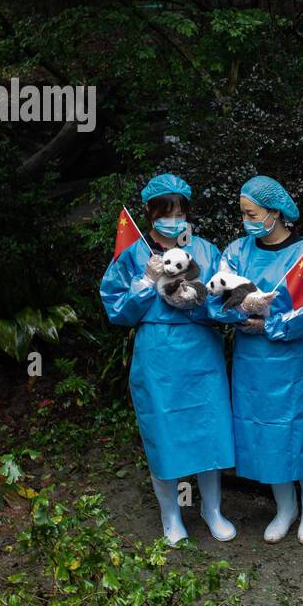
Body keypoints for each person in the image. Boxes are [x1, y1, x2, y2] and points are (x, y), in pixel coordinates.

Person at [99, 173, 237, 546]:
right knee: (164, 431)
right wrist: (145, 281)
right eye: (166, 211)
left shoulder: (206, 251)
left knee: (209, 427)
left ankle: (212, 510)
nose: (174, 219)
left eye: (180, 212)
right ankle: (171, 516)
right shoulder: (134, 254)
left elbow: (224, 303)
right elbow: (117, 311)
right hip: (157, 353)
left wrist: (201, 298)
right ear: (150, 211)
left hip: (201, 350)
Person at [214, 176, 303, 545]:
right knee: (266, 433)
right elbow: (216, 296)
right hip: (253, 364)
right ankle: (285, 508)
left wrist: (271, 323)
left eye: (251, 213)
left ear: (275, 212)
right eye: (242, 213)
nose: (246, 220)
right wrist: (241, 314)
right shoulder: (237, 251)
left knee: (302, 431)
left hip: (294, 360)